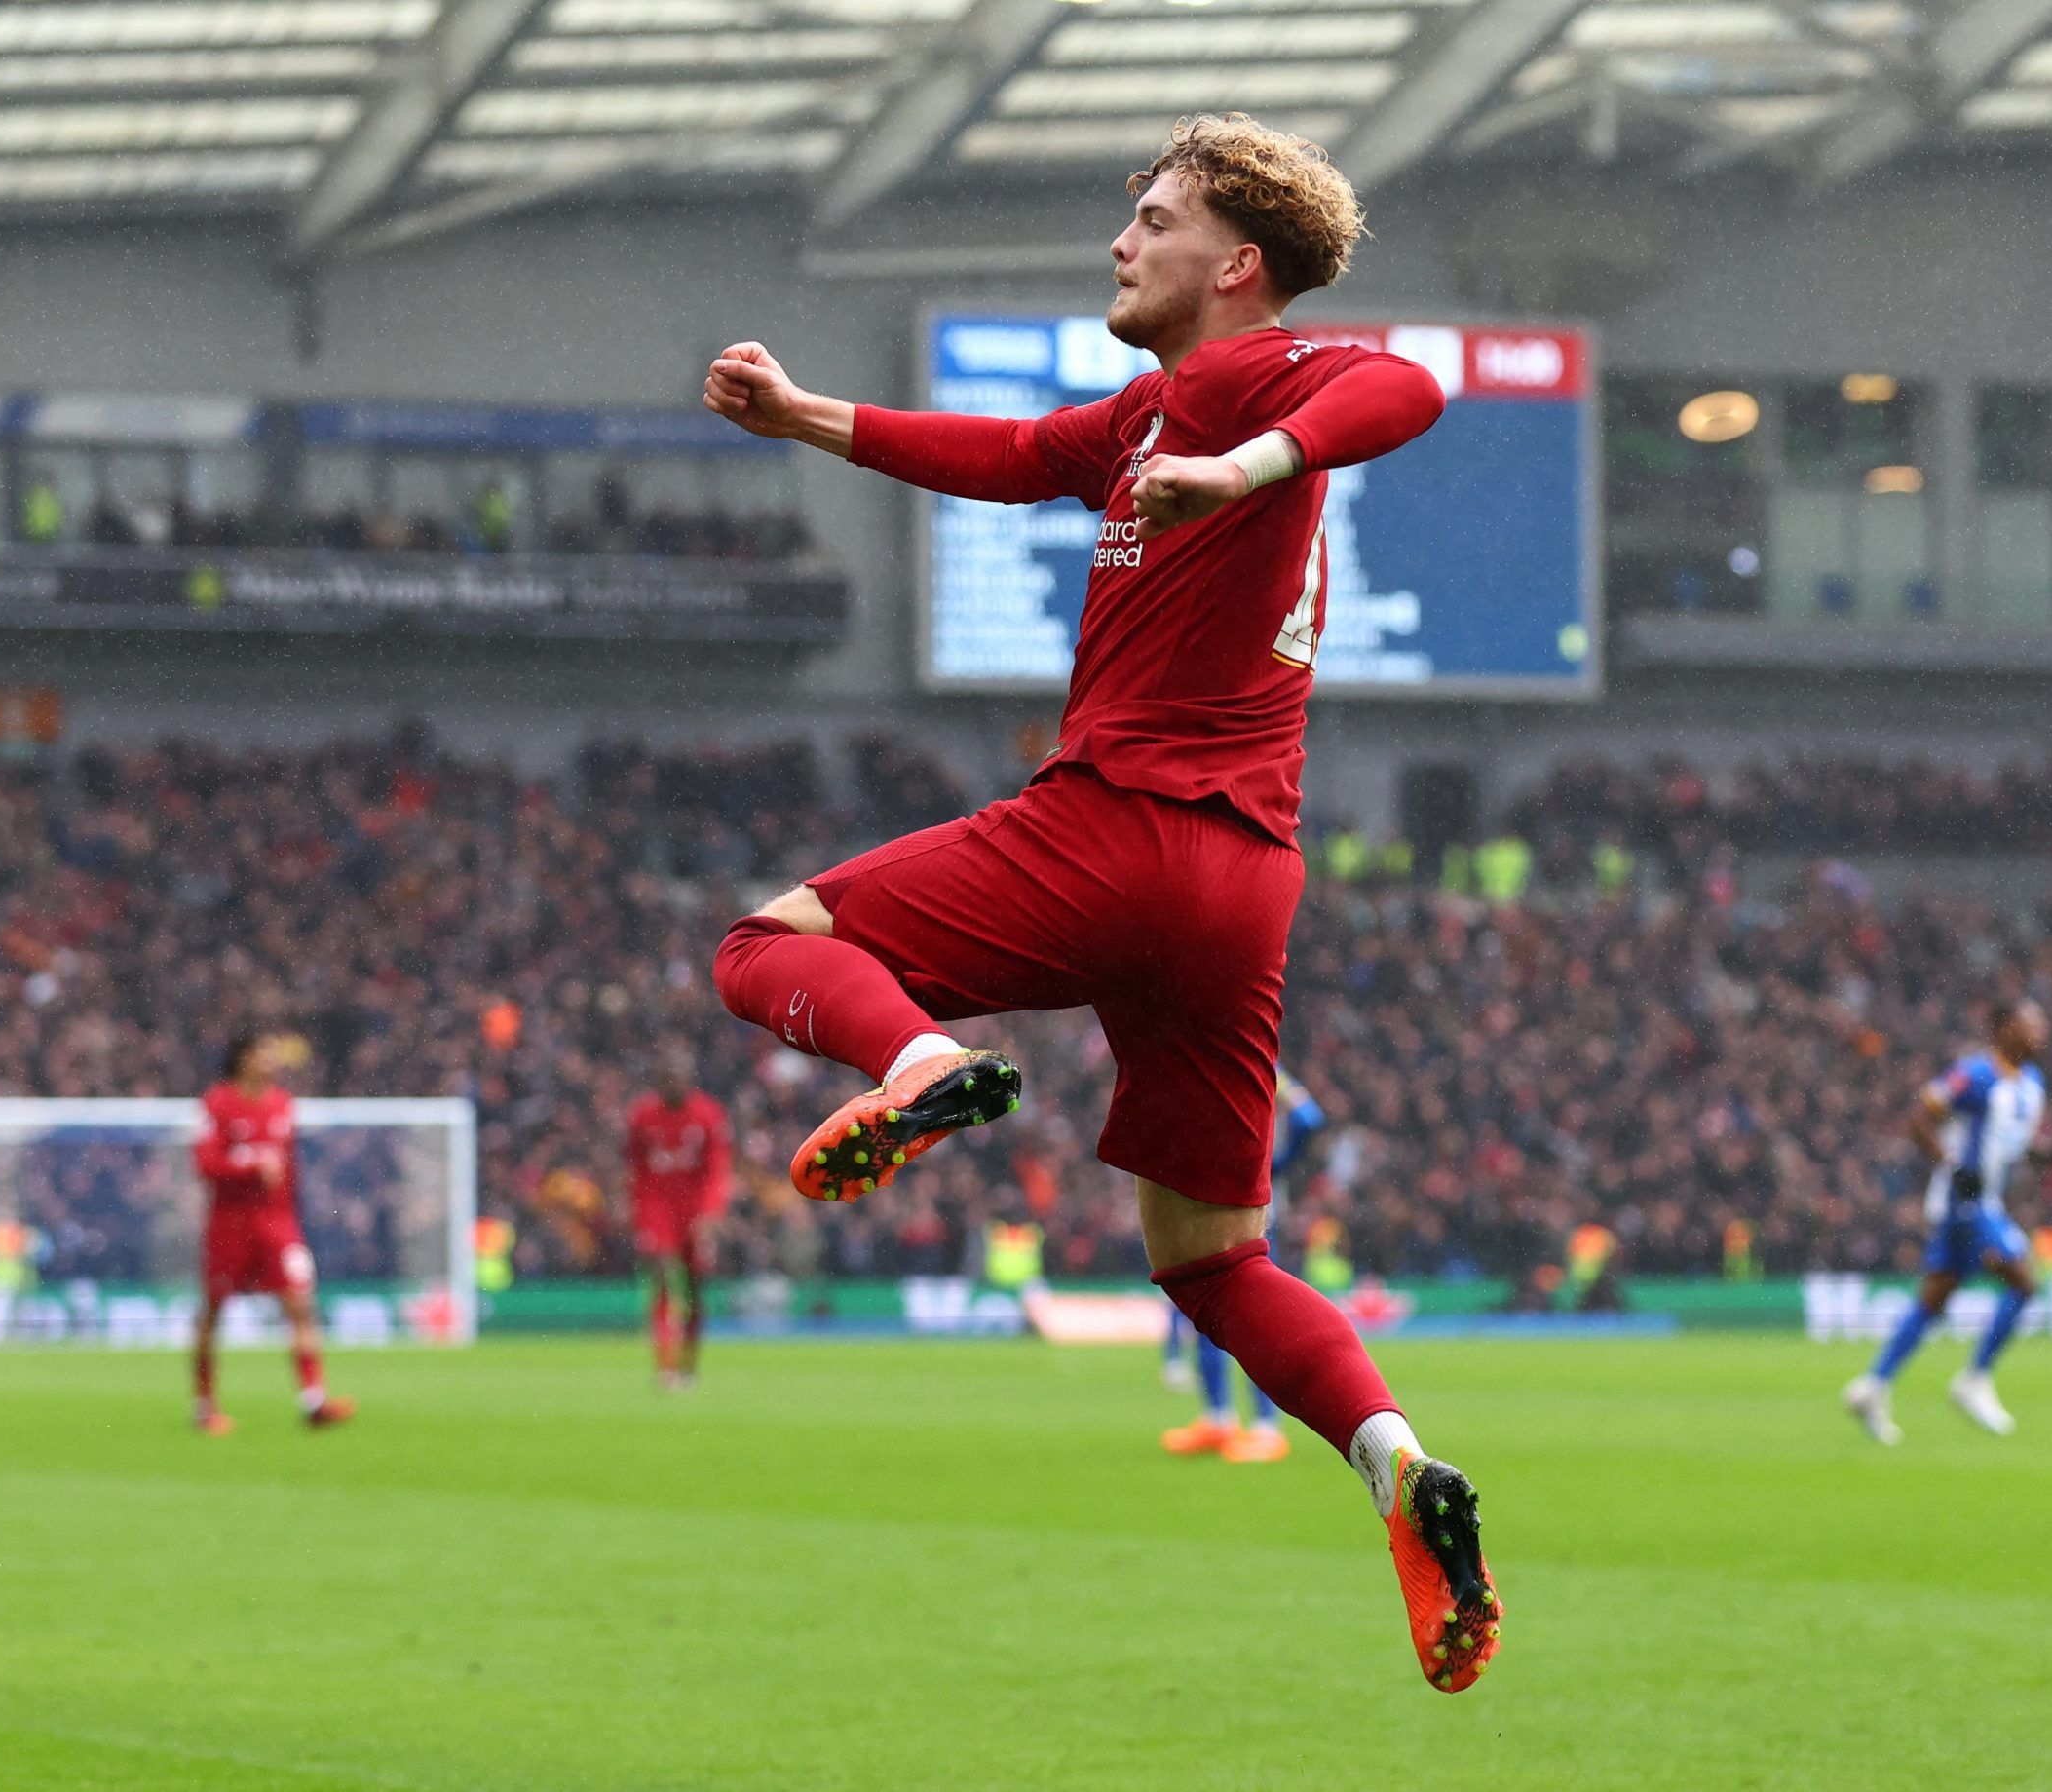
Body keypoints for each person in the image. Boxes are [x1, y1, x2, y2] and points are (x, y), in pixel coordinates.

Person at [703, 112, 1500, 1693]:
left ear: (1237, 261)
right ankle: (1398, 1464)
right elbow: (1001, 458)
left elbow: (1413, 384)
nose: (1120, 242)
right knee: (1212, 1256)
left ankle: (921, 1064)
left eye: (1151, 218)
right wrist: (809, 417)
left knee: (764, 942)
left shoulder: (1271, 381)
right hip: (1244, 884)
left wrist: (1253, 462)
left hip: (1124, 827)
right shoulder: (1140, 414)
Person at [1844, 1000, 2052, 1444]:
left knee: (1934, 1300)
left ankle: (1873, 1386)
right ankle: (1974, 1379)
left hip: (1983, 1199)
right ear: (2003, 1028)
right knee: (2023, 1280)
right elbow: (1920, 1119)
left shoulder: (2032, 1084)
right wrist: (1950, 1165)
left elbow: (2008, 1143)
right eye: (2031, 1023)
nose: (2040, 1032)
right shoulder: (1974, 1074)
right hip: (1962, 1202)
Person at [189, 1034, 354, 1434]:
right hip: (230, 1223)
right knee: (213, 1311)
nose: (271, 1060)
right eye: (263, 1052)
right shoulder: (217, 1104)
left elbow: (287, 1170)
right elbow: (205, 1163)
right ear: (243, 1058)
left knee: (299, 1303)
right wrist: (249, 1166)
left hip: (277, 1222)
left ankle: (314, 1401)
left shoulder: (283, 1104)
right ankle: (205, 1405)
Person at [1162, 1067, 1323, 1463]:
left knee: (1257, 1327)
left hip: (1258, 1233)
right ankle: (1219, 1419)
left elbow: (1309, 1119)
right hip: (1208, 1226)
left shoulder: (1265, 1145)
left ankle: (1266, 1428)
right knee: (1206, 1323)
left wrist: (1278, 1078)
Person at [626, 1044, 733, 1388]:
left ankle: (688, 1363)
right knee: (661, 1279)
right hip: (657, 1207)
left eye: (678, 1077)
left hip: (695, 1210)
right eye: (666, 1077)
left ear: (690, 1079)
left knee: (695, 1290)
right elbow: (635, 1168)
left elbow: (717, 1169)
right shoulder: (642, 1115)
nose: (672, 1083)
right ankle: (665, 1367)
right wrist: (639, 1214)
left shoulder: (708, 1115)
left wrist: (711, 1215)